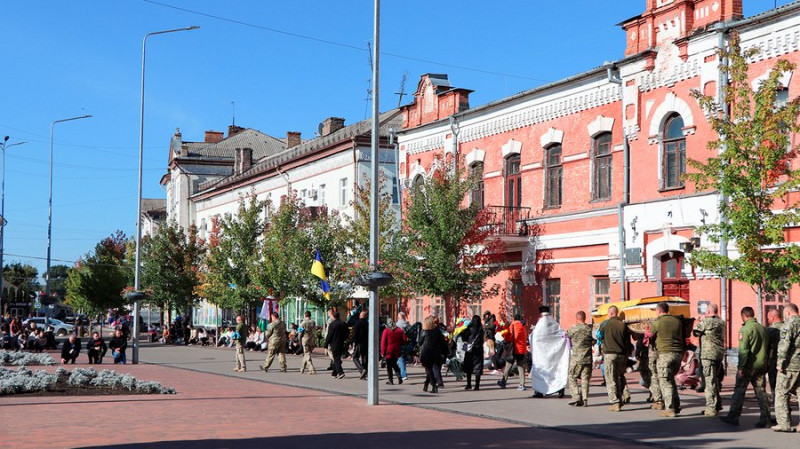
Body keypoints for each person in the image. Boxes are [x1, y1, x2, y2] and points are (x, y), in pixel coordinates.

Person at [720, 306, 771, 427]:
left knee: (739, 391)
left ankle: (733, 417)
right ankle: (766, 419)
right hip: (761, 365)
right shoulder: (763, 328)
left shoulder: (745, 329)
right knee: (761, 392)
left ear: (744, 315)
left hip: (749, 366)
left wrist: (741, 368)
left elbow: (744, 351)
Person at [645, 301, 685, 418]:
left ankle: (670, 408)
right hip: (678, 354)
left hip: (665, 354)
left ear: (658, 310)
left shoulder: (658, 322)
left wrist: (647, 330)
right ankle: (676, 405)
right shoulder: (677, 321)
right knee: (671, 380)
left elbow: (650, 335)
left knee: (665, 382)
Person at [692, 303, 726, 416]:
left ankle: (711, 407)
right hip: (719, 353)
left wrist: (699, 320)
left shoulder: (707, 322)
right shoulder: (721, 322)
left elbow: (695, 332)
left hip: (708, 354)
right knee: (715, 379)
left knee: (709, 380)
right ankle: (717, 403)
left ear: (708, 312)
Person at [772, 302, 800, 432]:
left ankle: (784, 423)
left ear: (788, 313)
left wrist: (780, 363)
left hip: (790, 365)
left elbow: (784, 344)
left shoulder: (788, 324)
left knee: (781, 392)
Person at [601, 305, 631, 412]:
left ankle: (615, 402)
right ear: (617, 313)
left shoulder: (605, 324)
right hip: (621, 355)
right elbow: (627, 342)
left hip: (609, 354)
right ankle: (620, 399)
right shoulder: (623, 325)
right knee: (618, 377)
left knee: (610, 378)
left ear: (610, 313)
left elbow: (599, 336)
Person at [566, 311, 594, 407]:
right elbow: (594, 340)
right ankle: (585, 399)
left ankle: (576, 397)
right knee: (585, 379)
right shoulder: (590, 329)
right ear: (585, 318)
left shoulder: (573, 329)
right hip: (588, 358)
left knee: (572, 376)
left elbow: (566, 336)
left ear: (577, 318)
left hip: (576, 359)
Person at [498, 314, 528, 390]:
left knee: (508, 365)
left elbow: (510, 336)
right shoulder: (523, 325)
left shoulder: (513, 324)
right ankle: (522, 384)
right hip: (522, 349)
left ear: (514, 319)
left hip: (513, 348)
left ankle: (503, 382)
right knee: (521, 366)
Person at [419, 316, 447, 394]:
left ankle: (434, 387)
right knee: (430, 370)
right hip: (436, 353)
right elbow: (443, 343)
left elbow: (419, 342)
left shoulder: (424, 332)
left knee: (429, 370)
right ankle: (426, 384)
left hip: (427, 353)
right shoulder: (437, 331)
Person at [381, 318, 407, 385]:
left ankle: (391, 380)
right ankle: (399, 376)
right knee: (394, 364)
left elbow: (383, 343)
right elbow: (404, 340)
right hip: (396, 350)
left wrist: (382, 353)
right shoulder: (399, 330)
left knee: (389, 366)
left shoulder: (386, 331)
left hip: (388, 351)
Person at [462, 315, 485, 390]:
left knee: (469, 366)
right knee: (478, 367)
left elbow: (464, 338)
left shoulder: (469, 329)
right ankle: (477, 385)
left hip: (470, 350)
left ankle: (469, 384)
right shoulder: (481, 329)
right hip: (479, 350)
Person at [766, 307, 784, 398]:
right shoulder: (787, 327)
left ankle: (778, 405)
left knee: (775, 387)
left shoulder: (770, 331)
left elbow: (765, 347)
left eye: (768, 318)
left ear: (772, 318)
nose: (768, 320)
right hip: (789, 361)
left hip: (774, 361)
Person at [325, 310, 348, 379]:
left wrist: (326, 344)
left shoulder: (332, 324)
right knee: (337, 358)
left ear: (334, 317)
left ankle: (341, 372)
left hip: (334, 343)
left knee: (336, 359)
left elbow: (329, 335)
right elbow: (347, 333)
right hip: (341, 342)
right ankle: (334, 373)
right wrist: (344, 338)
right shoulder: (343, 323)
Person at [352, 311, 369, 379]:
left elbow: (354, 334)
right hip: (366, 343)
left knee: (355, 357)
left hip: (359, 343)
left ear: (360, 316)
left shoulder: (357, 323)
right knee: (364, 359)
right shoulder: (367, 323)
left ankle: (362, 370)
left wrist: (351, 342)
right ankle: (364, 373)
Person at [396, 312, 410, 381]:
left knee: (400, 359)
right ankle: (403, 373)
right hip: (407, 344)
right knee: (402, 359)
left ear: (398, 317)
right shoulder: (408, 325)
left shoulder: (397, 325)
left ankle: (403, 375)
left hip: (399, 344)